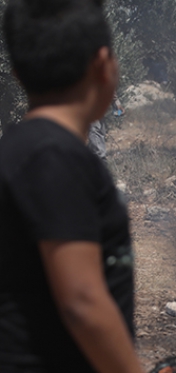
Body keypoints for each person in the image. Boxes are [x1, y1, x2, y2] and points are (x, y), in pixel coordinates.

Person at [0, 0, 143, 372]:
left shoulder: (23, 150)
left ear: (17, 73)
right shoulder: (56, 158)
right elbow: (82, 302)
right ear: (104, 65)